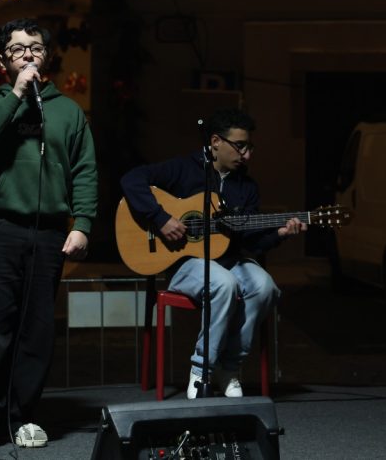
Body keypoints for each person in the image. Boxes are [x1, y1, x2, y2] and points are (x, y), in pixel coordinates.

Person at [0, 18, 97, 451]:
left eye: (35, 46)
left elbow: (84, 169)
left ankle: (24, 415)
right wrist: (16, 94)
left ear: (46, 56)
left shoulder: (69, 111)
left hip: (48, 232)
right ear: (3, 61)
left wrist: (83, 224)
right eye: (17, 49)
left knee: (35, 329)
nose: (27, 53)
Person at [120, 108, 306, 399]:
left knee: (265, 287)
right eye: (240, 146)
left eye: (249, 147)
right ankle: (202, 370)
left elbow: (251, 242)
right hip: (183, 262)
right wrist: (160, 218)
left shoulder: (246, 187)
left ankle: (228, 368)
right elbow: (132, 179)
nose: (246, 155)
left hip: (230, 260)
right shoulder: (183, 169)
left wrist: (279, 234)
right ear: (216, 141)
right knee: (223, 284)